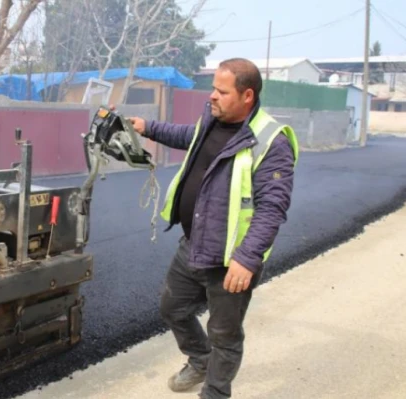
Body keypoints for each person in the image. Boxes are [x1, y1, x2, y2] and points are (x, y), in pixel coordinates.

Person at [127, 58, 299, 398]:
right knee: (172, 307)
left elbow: (272, 207)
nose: (212, 97)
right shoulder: (213, 119)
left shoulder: (270, 141)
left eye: (221, 91)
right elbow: (191, 138)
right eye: (213, 89)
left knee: (224, 334)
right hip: (194, 243)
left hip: (230, 260)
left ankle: (215, 392)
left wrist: (247, 258)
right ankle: (200, 360)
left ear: (247, 95)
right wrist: (148, 127)